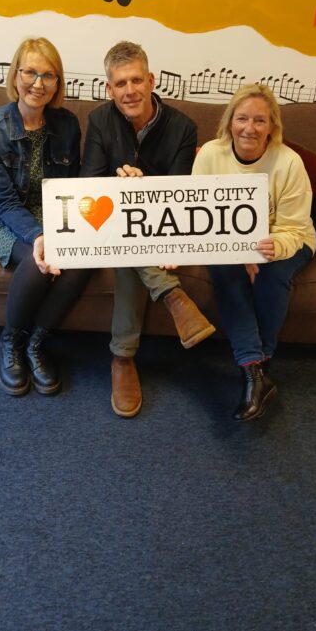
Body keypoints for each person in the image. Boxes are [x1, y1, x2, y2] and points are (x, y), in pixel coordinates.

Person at [81, 41, 215, 418]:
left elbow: (178, 195)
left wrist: (144, 187)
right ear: (109, 89)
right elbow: (88, 184)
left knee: (130, 246)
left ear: (151, 80)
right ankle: (173, 298)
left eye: (137, 80)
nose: (129, 91)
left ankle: (122, 358)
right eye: (120, 83)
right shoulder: (99, 120)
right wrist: (119, 185)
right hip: (108, 219)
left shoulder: (183, 128)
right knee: (124, 239)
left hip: (161, 224)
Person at [0, 37, 91, 396]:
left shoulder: (67, 125)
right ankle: (11, 344)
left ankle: (36, 343)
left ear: (58, 83)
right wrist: (38, 236)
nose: (38, 83)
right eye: (30, 72)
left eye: (48, 75)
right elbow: (3, 202)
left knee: (80, 260)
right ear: (15, 76)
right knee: (38, 262)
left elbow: (69, 187)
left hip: (48, 213)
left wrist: (64, 230)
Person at [192, 83, 316, 422]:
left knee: (272, 273)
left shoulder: (289, 162)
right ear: (229, 121)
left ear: (272, 127)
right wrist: (240, 249)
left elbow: (294, 226)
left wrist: (267, 249)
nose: (249, 128)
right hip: (230, 243)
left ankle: (258, 364)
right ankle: (255, 371)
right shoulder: (210, 156)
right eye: (242, 118)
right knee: (223, 269)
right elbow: (201, 215)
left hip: (289, 239)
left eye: (260, 121)